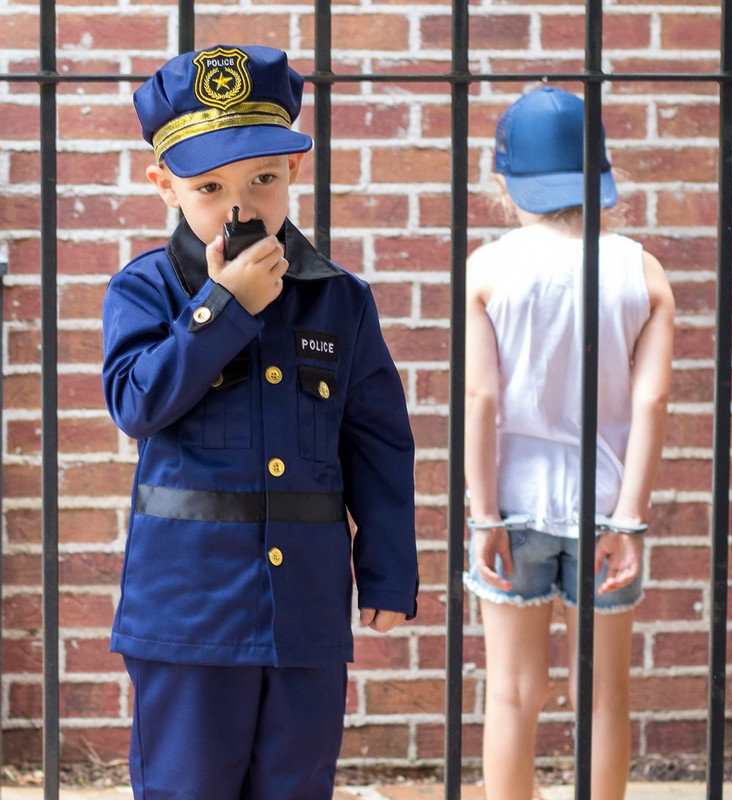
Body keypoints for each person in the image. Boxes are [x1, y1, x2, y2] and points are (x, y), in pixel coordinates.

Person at [101, 45, 418, 800]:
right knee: (188, 788)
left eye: (263, 179)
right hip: (187, 615)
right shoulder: (145, 290)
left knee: (296, 786)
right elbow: (136, 403)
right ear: (164, 186)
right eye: (209, 186)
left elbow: (376, 441)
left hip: (304, 611)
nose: (239, 206)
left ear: (294, 173)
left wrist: (387, 570)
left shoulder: (341, 300)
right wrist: (221, 310)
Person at [464, 86, 674, 800]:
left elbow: (482, 399)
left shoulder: (488, 270)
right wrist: (630, 520)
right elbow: (651, 401)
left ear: (503, 181)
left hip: (513, 501)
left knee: (514, 691)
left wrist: (484, 514)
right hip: (606, 506)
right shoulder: (643, 272)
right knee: (604, 694)